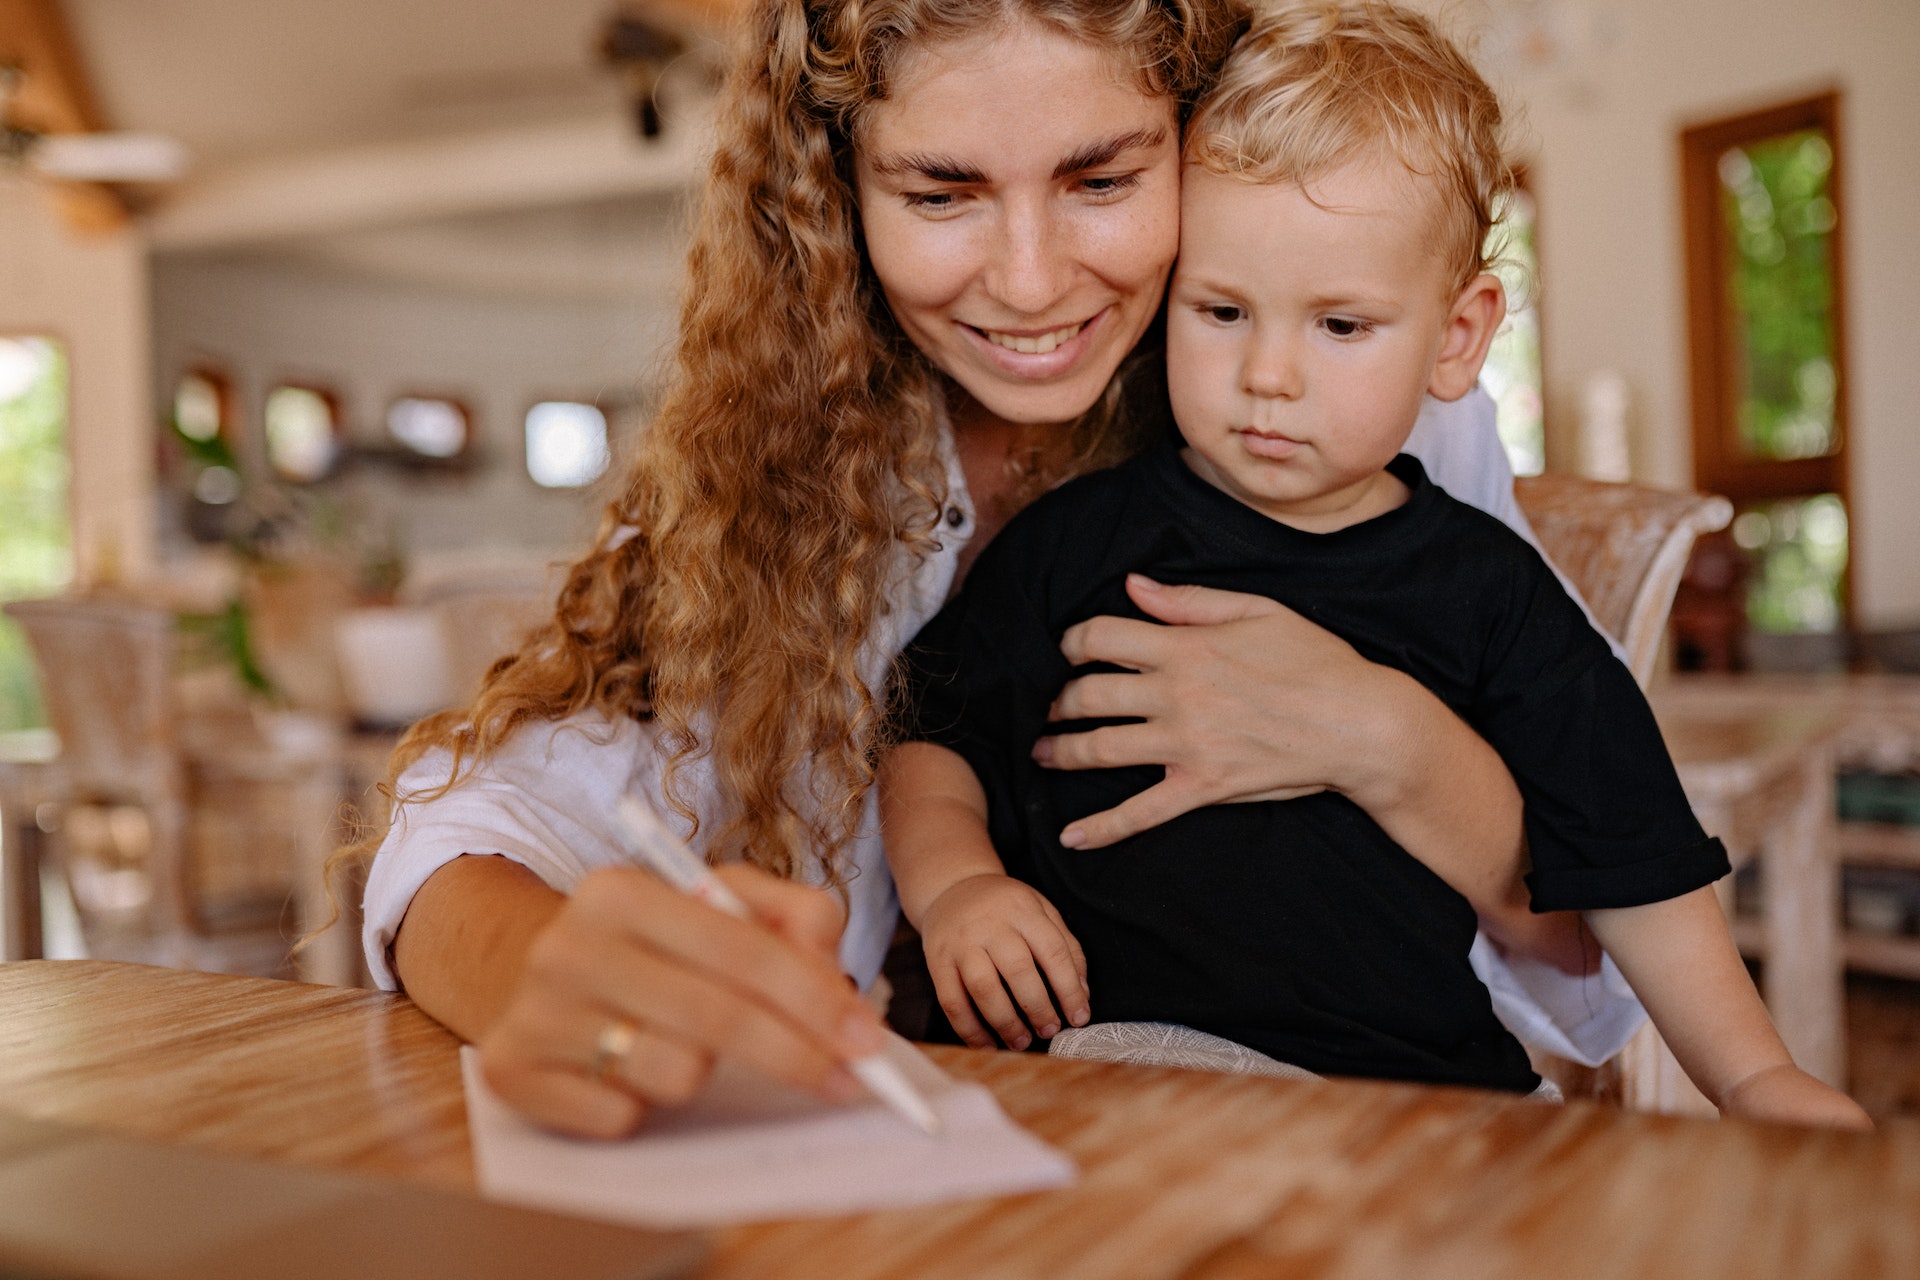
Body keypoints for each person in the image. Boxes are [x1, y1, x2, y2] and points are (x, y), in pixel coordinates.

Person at [359, 0, 1621, 1140]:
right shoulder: (778, 456)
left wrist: (1389, 738)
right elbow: (459, 835)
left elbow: (1583, 951)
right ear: (838, 189)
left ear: (1197, 130)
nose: (1029, 283)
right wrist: (554, 974)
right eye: (940, 193)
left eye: (1104, 177)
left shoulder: (1354, 388)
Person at [879, 0, 1870, 1126]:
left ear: (1456, 338)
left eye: (1339, 326)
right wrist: (957, 884)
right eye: (1222, 309)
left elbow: (1634, 855)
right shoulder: (1078, 538)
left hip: (1437, 1084)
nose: (1269, 374)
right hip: (1140, 1059)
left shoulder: (1487, 589)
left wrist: (1752, 1073)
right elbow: (929, 729)